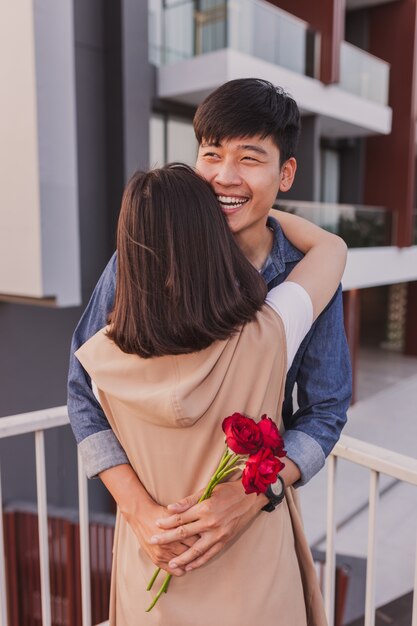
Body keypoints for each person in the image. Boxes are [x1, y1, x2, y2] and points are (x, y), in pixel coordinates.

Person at [67, 79, 352, 578]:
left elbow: (325, 409)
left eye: (249, 159)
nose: (224, 176)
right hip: (153, 537)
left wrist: (254, 496)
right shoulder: (145, 254)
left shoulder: (302, 274)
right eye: (211, 154)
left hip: (256, 535)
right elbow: (82, 387)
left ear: (286, 173)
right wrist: (139, 511)